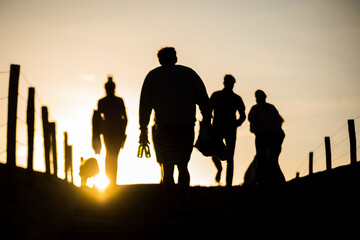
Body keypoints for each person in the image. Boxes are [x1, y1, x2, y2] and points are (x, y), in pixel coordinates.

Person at [139, 47, 212, 222]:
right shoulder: (189, 74)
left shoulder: (153, 76)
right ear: (176, 58)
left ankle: (172, 207)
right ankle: (184, 201)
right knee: (183, 165)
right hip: (186, 125)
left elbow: (145, 106)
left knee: (167, 168)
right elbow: (203, 99)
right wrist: (207, 122)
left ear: (159, 60)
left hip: (164, 127)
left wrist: (143, 130)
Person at [210, 75, 246, 187]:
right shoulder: (217, 96)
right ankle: (221, 172)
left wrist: (236, 124)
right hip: (219, 128)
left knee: (228, 157)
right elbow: (208, 110)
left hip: (227, 129)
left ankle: (228, 184)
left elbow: (243, 116)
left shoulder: (236, 98)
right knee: (215, 153)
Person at [248, 90, 285, 186]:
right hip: (273, 136)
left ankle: (265, 181)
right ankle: (271, 181)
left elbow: (252, 126)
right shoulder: (271, 108)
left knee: (264, 159)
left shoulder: (256, 109)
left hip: (266, 136)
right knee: (270, 159)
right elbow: (280, 120)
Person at [95, 76, 128, 187]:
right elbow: (125, 118)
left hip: (113, 131)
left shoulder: (104, 101)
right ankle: (111, 180)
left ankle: (112, 180)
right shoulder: (115, 101)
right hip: (112, 132)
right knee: (111, 154)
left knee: (111, 155)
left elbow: (98, 119)